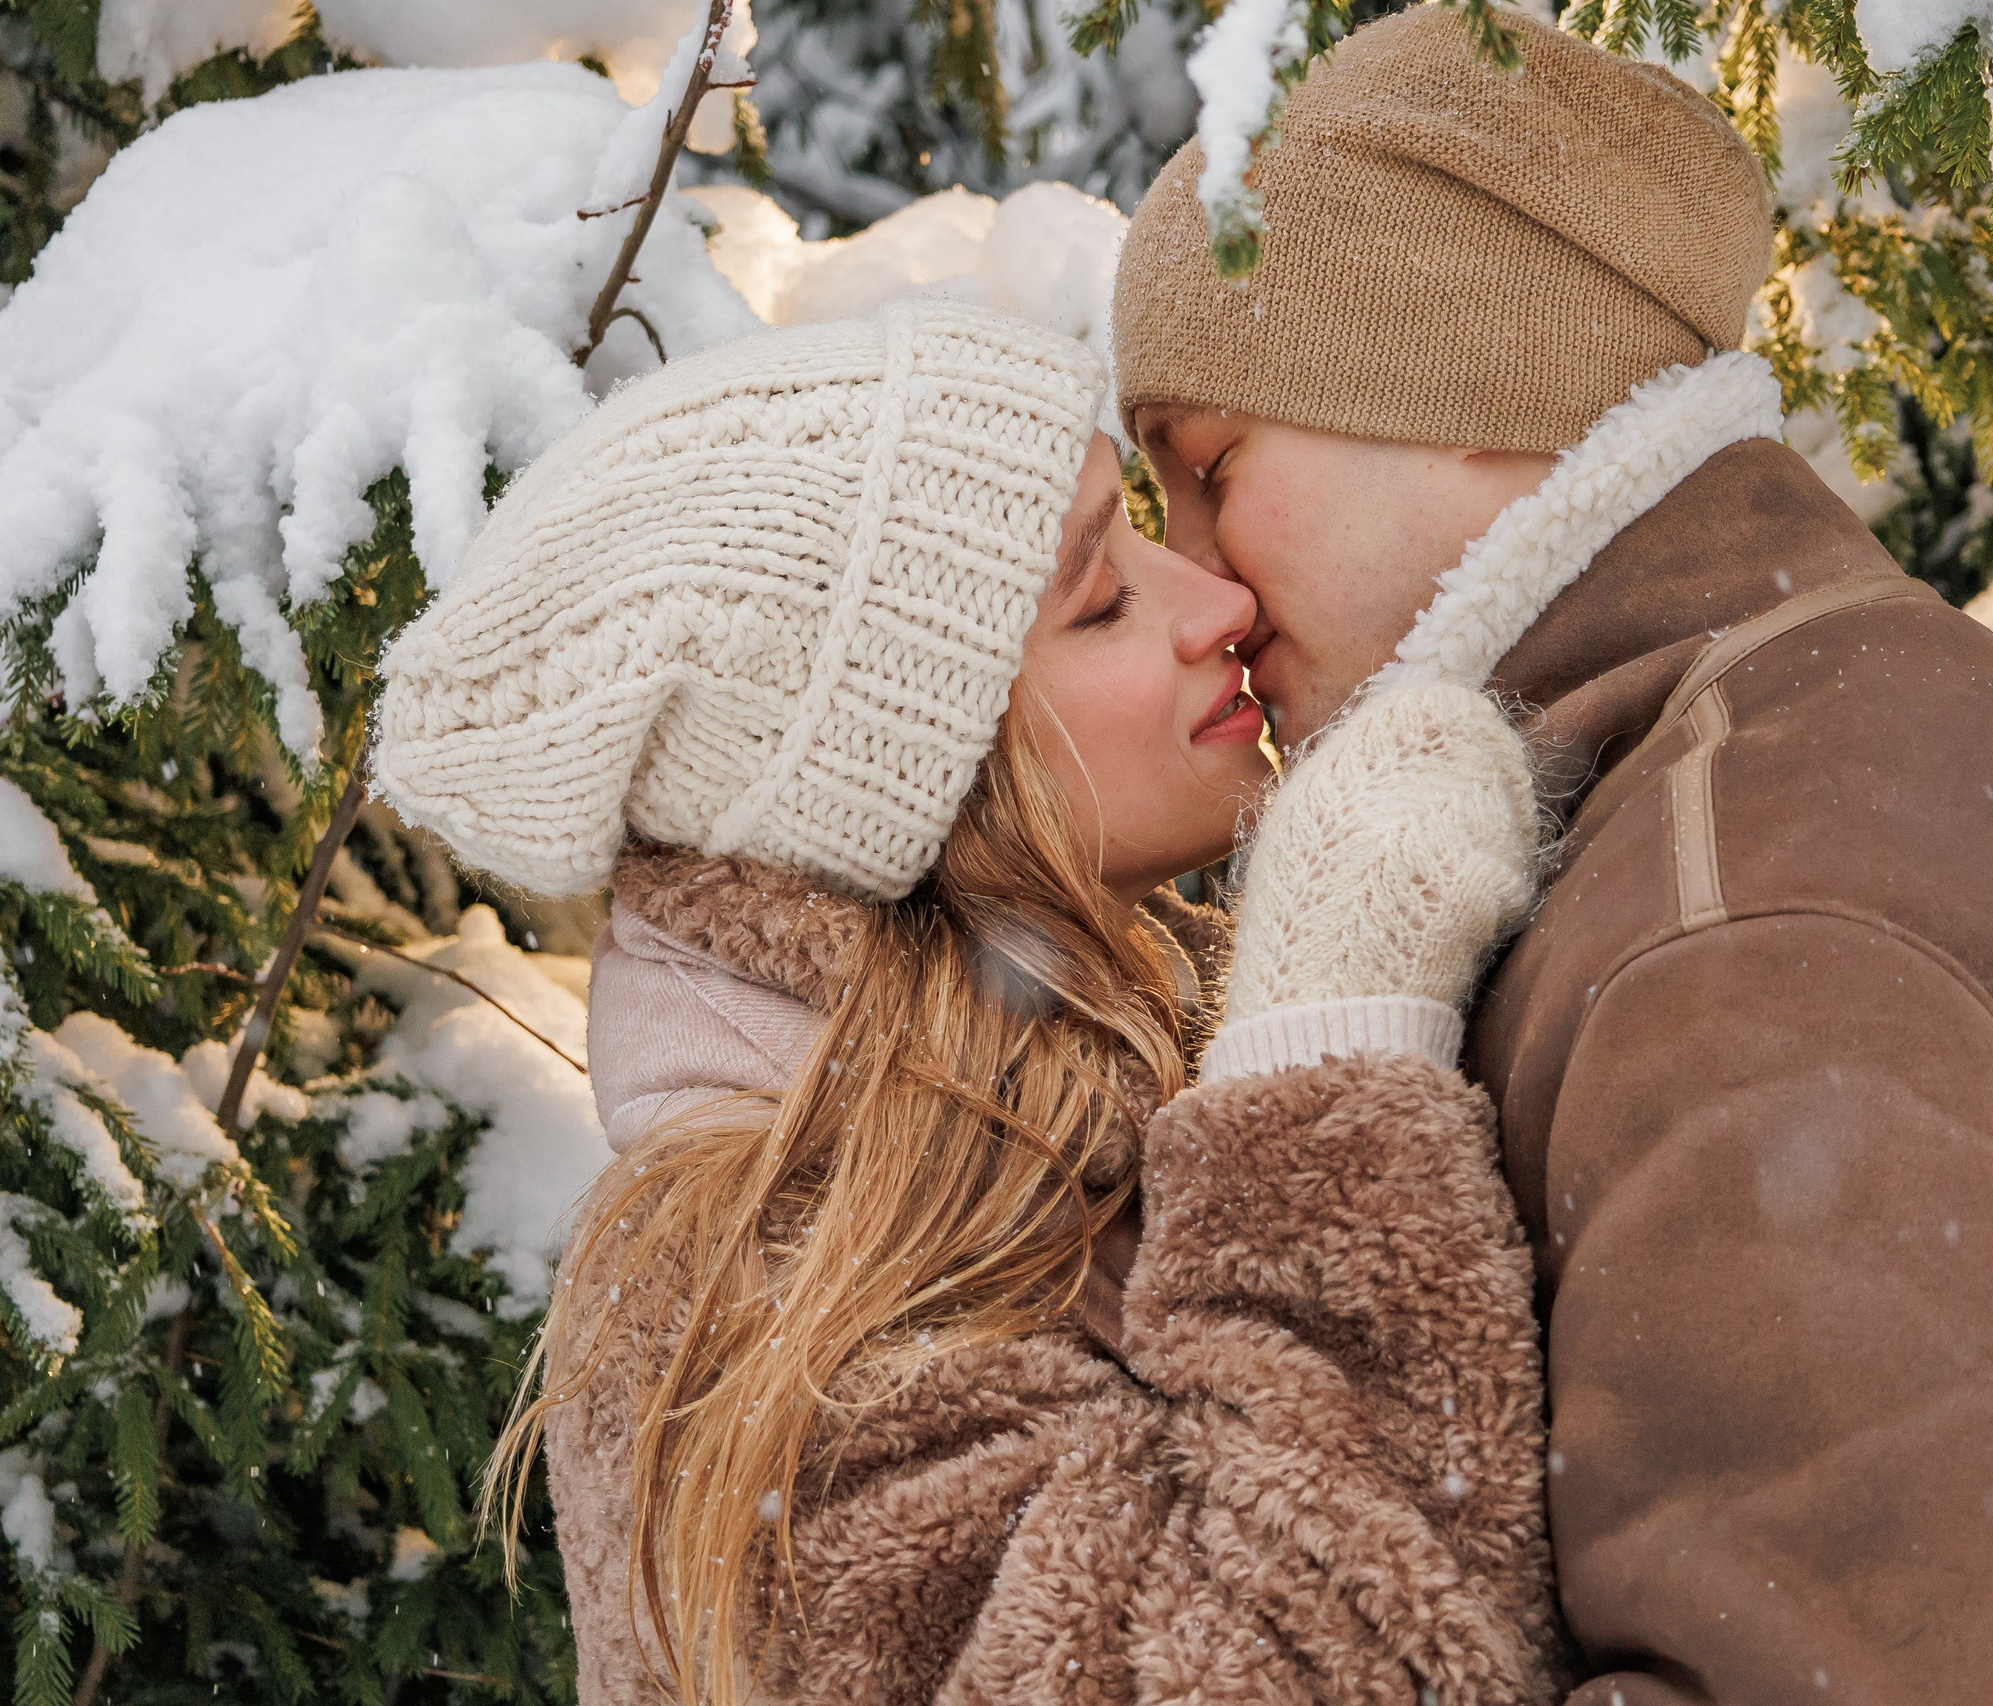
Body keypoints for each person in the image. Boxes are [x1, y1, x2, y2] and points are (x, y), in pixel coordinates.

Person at [1111, 10, 1993, 1705]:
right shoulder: (1831, 720)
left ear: (1470, 385)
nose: (1199, 583)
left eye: (1211, 472)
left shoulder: (1740, 929)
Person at [369, 302, 1566, 1704]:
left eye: (1139, 532)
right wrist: (1336, 1044)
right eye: (1102, 597)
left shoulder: (1083, 1078)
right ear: (920, 783)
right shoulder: (740, 1288)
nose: (1216, 603)